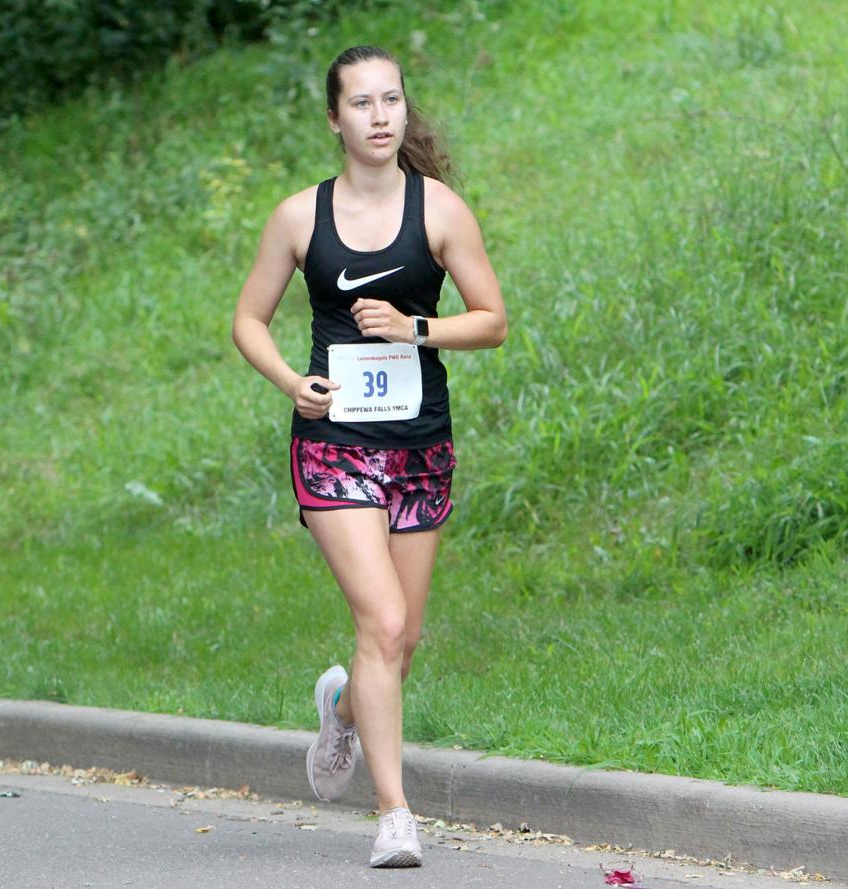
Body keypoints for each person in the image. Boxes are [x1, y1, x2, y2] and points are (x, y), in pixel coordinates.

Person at [231, 44, 507, 868]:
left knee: (402, 638)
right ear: (335, 118)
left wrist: (416, 327)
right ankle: (395, 814)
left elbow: (492, 319)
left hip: (419, 443)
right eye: (363, 103)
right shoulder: (298, 217)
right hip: (333, 442)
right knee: (380, 622)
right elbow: (248, 319)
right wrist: (291, 381)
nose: (381, 116)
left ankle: (343, 709)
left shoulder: (441, 210)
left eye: (392, 100)